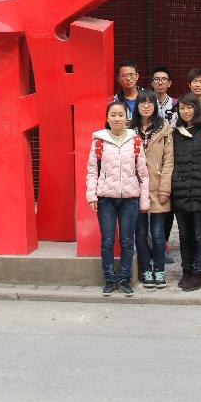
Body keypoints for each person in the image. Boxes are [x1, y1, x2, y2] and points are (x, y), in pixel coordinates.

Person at [86, 102, 150, 296]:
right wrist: (91, 195)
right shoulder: (99, 141)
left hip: (130, 199)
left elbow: (143, 173)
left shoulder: (135, 140)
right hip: (106, 199)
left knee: (127, 241)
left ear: (126, 118)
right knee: (107, 241)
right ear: (107, 118)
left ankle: (124, 279)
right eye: (113, 115)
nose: (117, 118)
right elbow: (92, 170)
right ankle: (109, 279)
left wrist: (144, 200)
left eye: (120, 114)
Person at [171, 93, 201, 292]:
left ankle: (199, 274)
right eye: (182, 108)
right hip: (180, 191)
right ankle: (187, 270)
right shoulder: (175, 133)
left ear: (196, 109)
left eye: (189, 107)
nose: (186, 111)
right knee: (184, 235)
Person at [128, 90, 173, 289]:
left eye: (150, 102)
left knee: (157, 232)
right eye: (142, 102)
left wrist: (165, 188)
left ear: (155, 106)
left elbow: (169, 160)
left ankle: (159, 270)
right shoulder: (130, 129)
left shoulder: (164, 127)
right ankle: (146, 269)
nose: (146, 106)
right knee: (139, 232)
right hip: (135, 187)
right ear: (136, 106)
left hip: (157, 186)